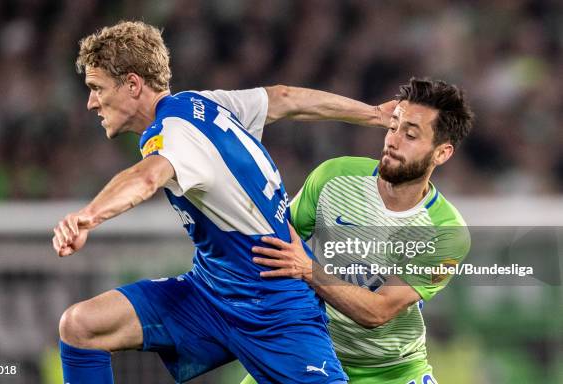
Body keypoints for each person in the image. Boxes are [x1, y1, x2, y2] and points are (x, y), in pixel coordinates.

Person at [51, 20, 395, 384]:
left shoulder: (174, 134)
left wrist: (88, 217)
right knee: (81, 327)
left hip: (273, 305)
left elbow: (146, 177)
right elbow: (284, 98)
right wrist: (374, 113)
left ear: (133, 84)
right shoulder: (202, 105)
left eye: (96, 88)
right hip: (209, 293)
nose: (91, 102)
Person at [241, 78, 474, 384]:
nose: (393, 141)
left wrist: (308, 270)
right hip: (309, 352)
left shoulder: (445, 232)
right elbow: (276, 245)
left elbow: (377, 313)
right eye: (393, 127)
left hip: (390, 371)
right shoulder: (333, 176)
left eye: (411, 135)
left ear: (442, 153)